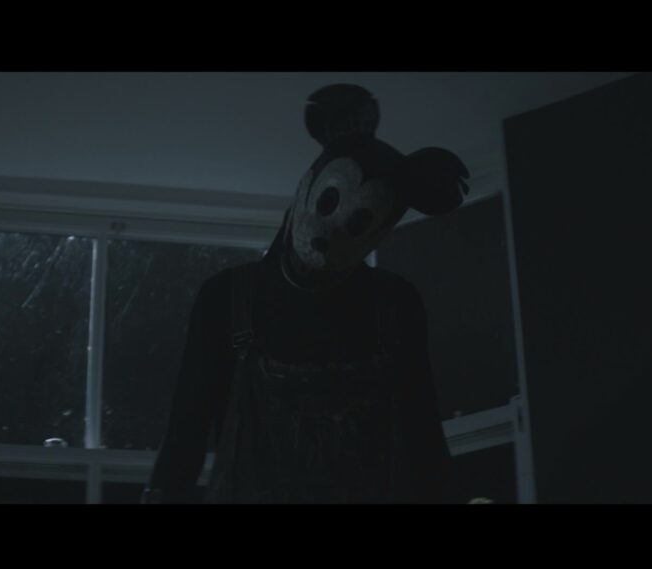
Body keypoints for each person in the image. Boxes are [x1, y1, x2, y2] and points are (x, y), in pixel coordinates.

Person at [144, 84, 469, 503]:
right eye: (328, 201)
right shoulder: (226, 300)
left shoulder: (394, 306)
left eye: (359, 222)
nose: (330, 233)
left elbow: (423, 441)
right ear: (307, 189)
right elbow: (184, 436)